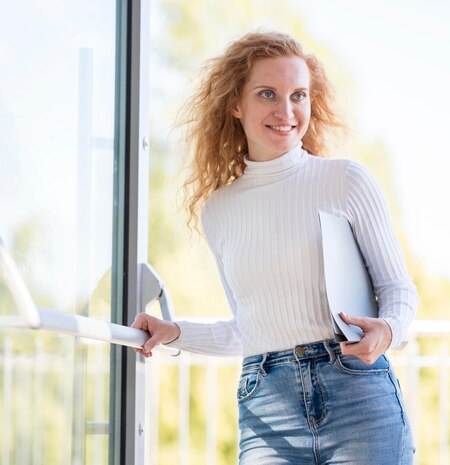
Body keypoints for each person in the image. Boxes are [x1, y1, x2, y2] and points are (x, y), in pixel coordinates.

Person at [132, 31, 419, 464]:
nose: (286, 111)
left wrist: (389, 329)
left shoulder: (345, 182)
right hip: (266, 405)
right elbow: (249, 330)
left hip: (358, 395)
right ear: (235, 103)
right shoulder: (219, 211)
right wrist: (176, 333)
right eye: (268, 94)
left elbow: (399, 289)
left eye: (298, 95)